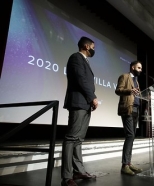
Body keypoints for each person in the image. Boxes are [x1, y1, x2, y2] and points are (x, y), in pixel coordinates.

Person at [61, 36, 98, 186]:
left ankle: (78, 171)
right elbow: (80, 79)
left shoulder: (84, 61)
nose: (94, 50)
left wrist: (90, 100)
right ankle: (66, 176)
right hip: (78, 102)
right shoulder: (76, 57)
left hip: (85, 104)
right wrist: (92, 97)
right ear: (87, 46)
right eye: (93, 47)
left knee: (79, 139)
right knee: (71, 138)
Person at [115, 60, 143, 176]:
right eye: (139, 68)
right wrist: (129, 91)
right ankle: (125, 165)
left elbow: (138, 94)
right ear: (132, 67)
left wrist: (145, 96)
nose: (140, 70)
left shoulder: (136, 81)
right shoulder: (124, 76)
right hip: (127, 109)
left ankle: (129, 163)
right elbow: (118, 90)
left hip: (136, 109)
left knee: (132, 137)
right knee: (130, 135)